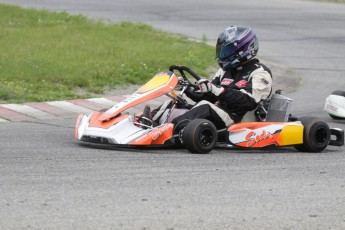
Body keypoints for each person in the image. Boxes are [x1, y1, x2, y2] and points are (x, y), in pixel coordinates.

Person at [152, 25, 273, 132]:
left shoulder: (260, 72)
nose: (223, 55)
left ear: (244, 50)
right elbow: (207, 96)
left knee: (205, 106)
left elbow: (249, 102)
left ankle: (166, 130)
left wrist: (218, 90)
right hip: (218, 113)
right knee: (173, 103)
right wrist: (187, 88)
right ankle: (147, 123)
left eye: (228, 51)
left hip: (238, 120)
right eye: (222, 50)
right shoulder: (225, 71)